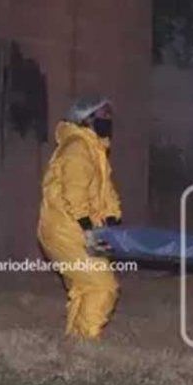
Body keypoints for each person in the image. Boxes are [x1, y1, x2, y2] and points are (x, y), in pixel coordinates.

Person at [37, 96, 122, 339]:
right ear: (86, 119)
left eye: (110, 116)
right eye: (103, 116)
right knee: (102, 286)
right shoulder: (78, 147)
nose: (109, 121)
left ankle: (76, 343)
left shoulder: (93, 149)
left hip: (75, 228)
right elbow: (74, 192)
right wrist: (86, 226)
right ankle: (86, 344)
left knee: (85, 287)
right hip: (68, 229)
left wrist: (112, 219)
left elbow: (105, 192)